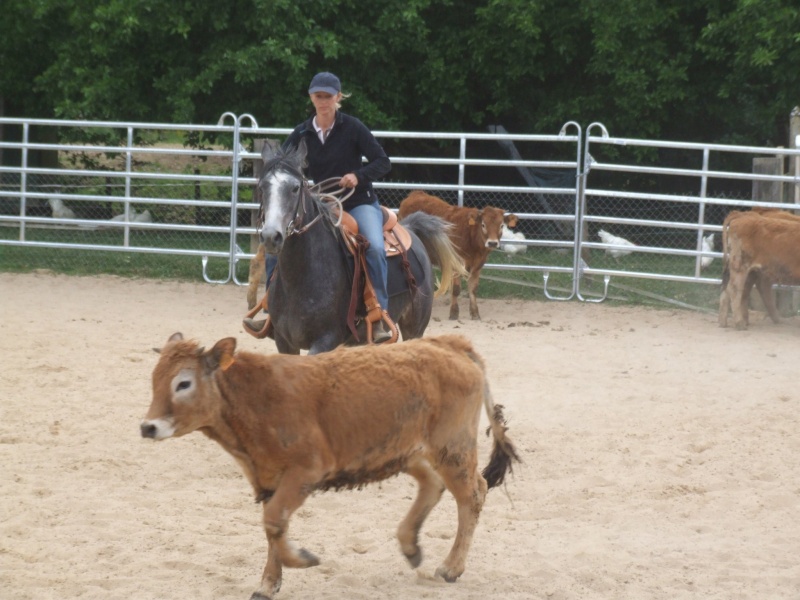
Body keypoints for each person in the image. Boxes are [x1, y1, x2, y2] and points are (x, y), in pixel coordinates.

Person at [244, 71, 394, 343]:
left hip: (358, 201)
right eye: (318, 96)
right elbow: (283, 164)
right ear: (311, 98)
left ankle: (379, 314)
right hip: (321, 203)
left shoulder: (353, 127)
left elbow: (382, 161)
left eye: (328, 96)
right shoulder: (302, 132)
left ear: (338, 98)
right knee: (278, 244)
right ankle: (272, 310)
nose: (323, 101)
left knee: (373, 246)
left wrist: (358, 176)